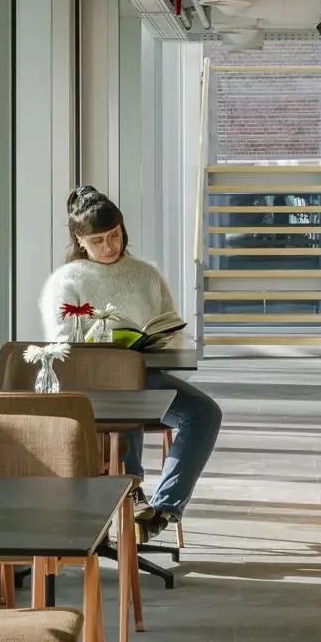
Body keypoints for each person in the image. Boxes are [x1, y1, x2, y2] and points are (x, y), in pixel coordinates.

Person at [41, 187, 221, 538]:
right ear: (80, 240)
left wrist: (156, 342)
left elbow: (170, 327)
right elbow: (62, 343)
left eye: (115, 235)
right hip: (91, 384)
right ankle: (130, 488)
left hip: (144, 375)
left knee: (205, 413)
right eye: (98, 240)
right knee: (125, 391)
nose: (109, 246)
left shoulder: (145, 275)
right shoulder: (67, 280)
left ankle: (161, 512)